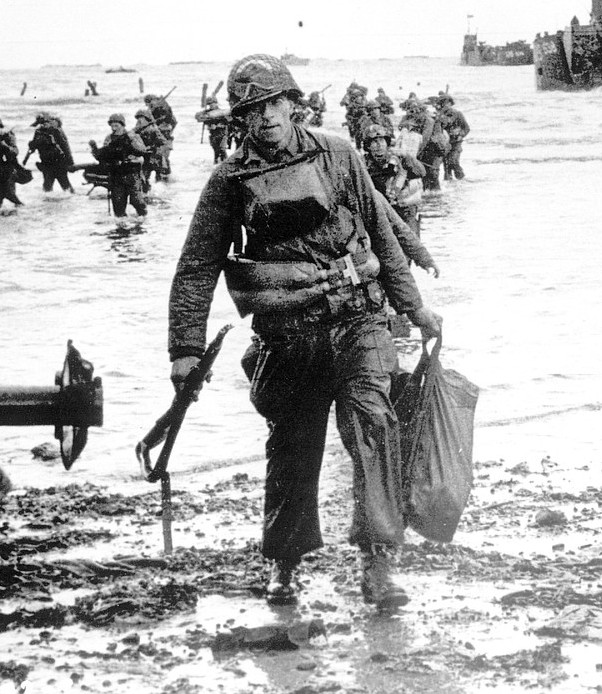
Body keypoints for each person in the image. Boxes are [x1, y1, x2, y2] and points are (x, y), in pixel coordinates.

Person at [167, 54, 442, 608]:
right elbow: (197, 266)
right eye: (251, 109)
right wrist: (184, 349)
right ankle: (284, 564)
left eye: (273, 103)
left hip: (357, 320)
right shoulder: (228, 180)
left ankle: (377, 561)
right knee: (292, 446)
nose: (265, 117)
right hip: (287, 333)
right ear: (237, 120)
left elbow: (382, 234)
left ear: (292, 103)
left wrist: (414, 307)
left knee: (373, 431)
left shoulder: (338, 153)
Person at [362, 122, 426, 237]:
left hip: (404, 208)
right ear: (368, 146)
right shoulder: (364, 164)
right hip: (382, 211)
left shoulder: (399, 157)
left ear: (387, 143)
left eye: (381, 141)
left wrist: (408, 157)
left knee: (411, 242)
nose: (378, 145)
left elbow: (421, 172)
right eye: (374, 142)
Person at [89, 114, 148, 217]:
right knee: (118, 205)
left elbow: (142, 150)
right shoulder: (109, 138)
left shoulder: (133, 135)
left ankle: (143, 218)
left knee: (137, 201)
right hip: (117, 174)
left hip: (132, 173)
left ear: (122, 125)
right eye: (111, 124)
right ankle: (122, 228)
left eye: (116, 124)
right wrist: (95, 149)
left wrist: (131, 140)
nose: (113, 126)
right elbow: (104, 155)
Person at [28, 113, 75, 193]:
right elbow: (33, 147)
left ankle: (73, 199)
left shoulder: (56, 131)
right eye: (42, 123)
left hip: (59, 162)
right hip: (46, 163)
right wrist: (32, 144)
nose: (44, 124)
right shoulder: (38, 132)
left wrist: (70, 161)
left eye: (46, 122)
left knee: (65, 184)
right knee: (47, 186)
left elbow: (65, 146)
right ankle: (48, 203)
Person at [437, 93, 471, 180]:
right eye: (443, 104)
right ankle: (449, 185)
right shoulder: (439, 116)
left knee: (453, 161)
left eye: (447, 103)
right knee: (447, 166)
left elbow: (466, 128)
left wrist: (461, 135)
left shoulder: (457, 114)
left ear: (450, 103)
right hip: (445, 144)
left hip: (456, 142)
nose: (446, 106)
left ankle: (461, 178)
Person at [134, 109, 169, 189]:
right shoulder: (138, 129)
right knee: (145, 176)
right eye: (138, 118)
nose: (139, 120)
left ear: (146, 118)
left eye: (141, 118)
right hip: (145, 156)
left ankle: (161, 189)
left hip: (155, 155)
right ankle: (147, 190)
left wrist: (152, 145)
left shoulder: (153, 129)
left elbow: (163, 141)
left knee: (159, 175)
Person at [144, 94, 177, 177]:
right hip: (156, 140)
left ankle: (165, 179)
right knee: (157, 161)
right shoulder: (150, 112)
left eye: (149, 103)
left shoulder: (165, 110)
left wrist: (165, 128)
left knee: (163, 160)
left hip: (165, 139)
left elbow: (172, 121)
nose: (148, 105)